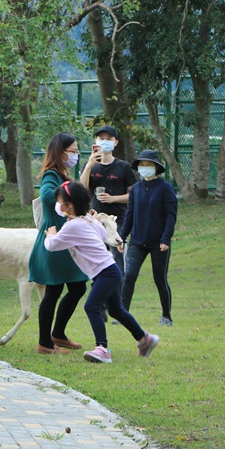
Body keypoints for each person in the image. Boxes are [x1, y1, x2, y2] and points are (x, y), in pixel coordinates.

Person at [44, 180, 159, 364]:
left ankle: (102, 349)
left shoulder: (72, 226)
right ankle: (145, 339)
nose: (58, 206)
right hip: (109, 270)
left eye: (59, 202)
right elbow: (101, 234)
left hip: (105, 272)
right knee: (116, 310)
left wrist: (50, 234)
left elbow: (52, 245)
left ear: (69, 205)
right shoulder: (88, 220)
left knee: (91, 306)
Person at [28, 132, 87, 355]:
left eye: (76, 151)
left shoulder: (62, 174)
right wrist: (68, 193)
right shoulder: (51, 175)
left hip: (65, 237)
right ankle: (45, 342)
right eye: (72, 151)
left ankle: (58, 335)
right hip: (55, 235)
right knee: (54, 290)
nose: (75, 154)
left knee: (76, 286)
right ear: (60, 152)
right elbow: (46, 196)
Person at [80, 125, 137, 321]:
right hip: (95, 222)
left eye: (108, 138)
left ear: (115, 142)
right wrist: (88, 165)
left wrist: (114, 199)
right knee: (97, 265)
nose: (104, 141)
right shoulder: (91, 165)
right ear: (95, 142)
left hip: (117, 223)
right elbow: (81, 190)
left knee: (116, 264)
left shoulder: (123, 167)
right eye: (100, 138)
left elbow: (133, 195)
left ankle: (117, 308)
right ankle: (100, 307)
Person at [118, 149, 179, 326]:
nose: (145, 168)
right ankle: (124, 315)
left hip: (158, 243)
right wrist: (122, 237)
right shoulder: (136, 189)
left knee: (160, 279)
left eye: (149, 165)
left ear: (156, 167)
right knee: (128, 275)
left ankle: (166, 316)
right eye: (142, 165)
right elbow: (129, 215)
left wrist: (166, 238)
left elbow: (170, 215)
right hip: (137, 241)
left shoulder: (165, 188)